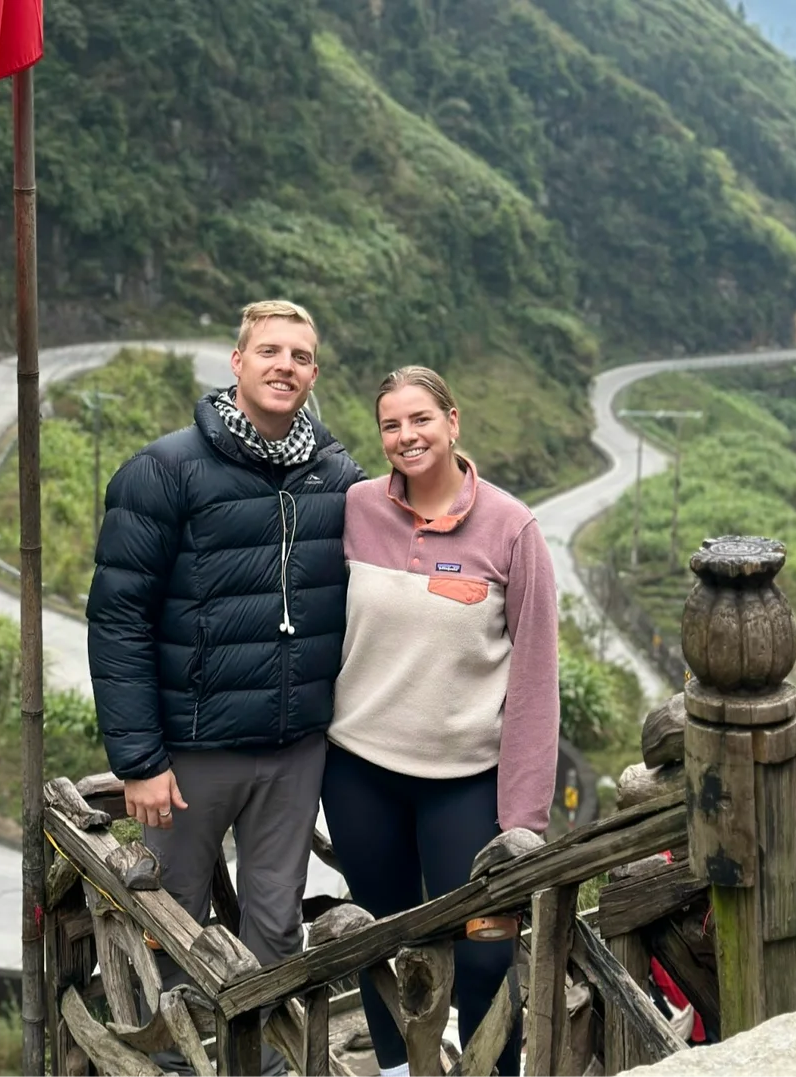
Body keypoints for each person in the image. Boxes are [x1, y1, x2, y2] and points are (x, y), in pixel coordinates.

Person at [86, 300, 364, 1077]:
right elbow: (117, 620)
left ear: (314, 373)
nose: (286, 365)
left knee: (276, 923)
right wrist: (138, 758)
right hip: (193, 746)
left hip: (296, 744)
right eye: (269, 350)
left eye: (301, 355)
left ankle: (263, 1067)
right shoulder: (164, 470)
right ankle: (178, 1065)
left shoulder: (337, 475)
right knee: (176, 919)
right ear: (236, 362)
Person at [321, 365, 560, 1077]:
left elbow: (535, 681)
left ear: (453, 420)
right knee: (379, 945)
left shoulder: (513, 528)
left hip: (465, 782)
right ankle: (399, 1072)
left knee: (486, 952)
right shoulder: (357, 508)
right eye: (391, 425)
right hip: (360, 769)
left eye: (420, 419)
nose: (406, 436)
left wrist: (524, 819)